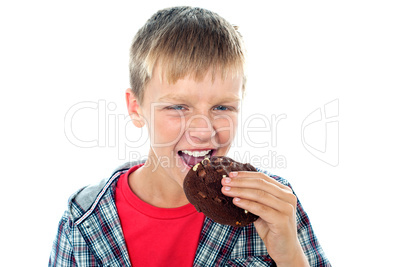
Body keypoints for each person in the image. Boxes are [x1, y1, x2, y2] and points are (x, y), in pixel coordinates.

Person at [49, 6, 331, 266]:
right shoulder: (84, 221)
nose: (203, 131)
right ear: (136, 108)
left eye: (222, 107)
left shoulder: (273, 205)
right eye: (177, 107)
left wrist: (290, 255)